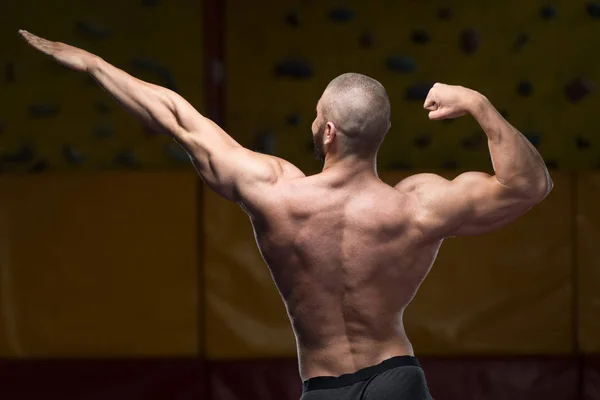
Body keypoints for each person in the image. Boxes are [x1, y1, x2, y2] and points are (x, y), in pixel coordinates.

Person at [20, 30, 552, 400]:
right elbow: (529, 185)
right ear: (383, 133)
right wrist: (479, 105)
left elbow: (177, 117)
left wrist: (91, 62)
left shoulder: (275, 193)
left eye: (317, 112)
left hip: (324, 387)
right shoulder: (418, 205)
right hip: (397, 381)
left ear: (327, 132)